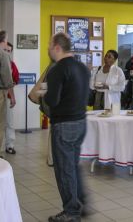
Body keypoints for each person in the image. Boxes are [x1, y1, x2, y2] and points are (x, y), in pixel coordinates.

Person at [44, 33, 90, 222]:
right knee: (73, 165)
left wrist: (43, 95)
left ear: (57, 47)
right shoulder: (82, 67)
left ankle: (71, 212)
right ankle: (81, 203)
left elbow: (52, 100)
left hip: (64, 125)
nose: (47, 49)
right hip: (81, 122)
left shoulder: (57, 70)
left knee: (64, 170)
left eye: (49, 45)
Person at [4, 42, 19, 155]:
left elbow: (16, 79)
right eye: (5, 50)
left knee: (10, 123)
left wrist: (12, 83)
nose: (7, 53)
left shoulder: (12, 65)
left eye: (9, 51)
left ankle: (10, 145)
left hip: (8, 97)